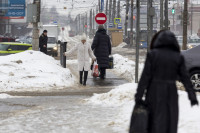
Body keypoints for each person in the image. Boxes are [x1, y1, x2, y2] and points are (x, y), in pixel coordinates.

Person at [135, 30, 198, 133]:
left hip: (153, 91)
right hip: (171, 91)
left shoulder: (152, 55)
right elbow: (185, 78)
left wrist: (138, 96)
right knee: (171, 118)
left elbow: (145, 77)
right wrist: (192, 96)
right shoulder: (178, 57)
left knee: (154, 118)